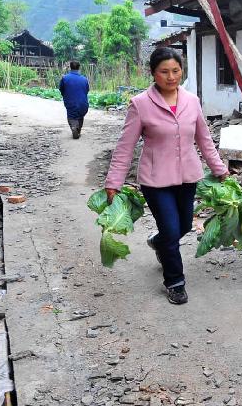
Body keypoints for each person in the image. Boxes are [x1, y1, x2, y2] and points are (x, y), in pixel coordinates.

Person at [103, 47, 229, 305]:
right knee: (171, 229)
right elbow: (125, 147)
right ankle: (175, 281)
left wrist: (219, 169)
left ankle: (158, 243)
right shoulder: (140, 105)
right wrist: (113, 181)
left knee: (182, 226)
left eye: (176, 71)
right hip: (155, 180)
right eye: (164, 72)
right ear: (153, 73)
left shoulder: (192, 101)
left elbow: (204, 140)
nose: (171, 77)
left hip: (187, 177)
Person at [59, 60, 90, 139]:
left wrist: (66, 96)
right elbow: (86, 90)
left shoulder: (65, 78)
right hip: (83, 104)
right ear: (79, 68)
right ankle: (78, 130)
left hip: (71, 102)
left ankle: (74, 127)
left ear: (70, 67)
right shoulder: (84, 79)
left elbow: (61, 89)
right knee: (80, 116)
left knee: (72, 116)